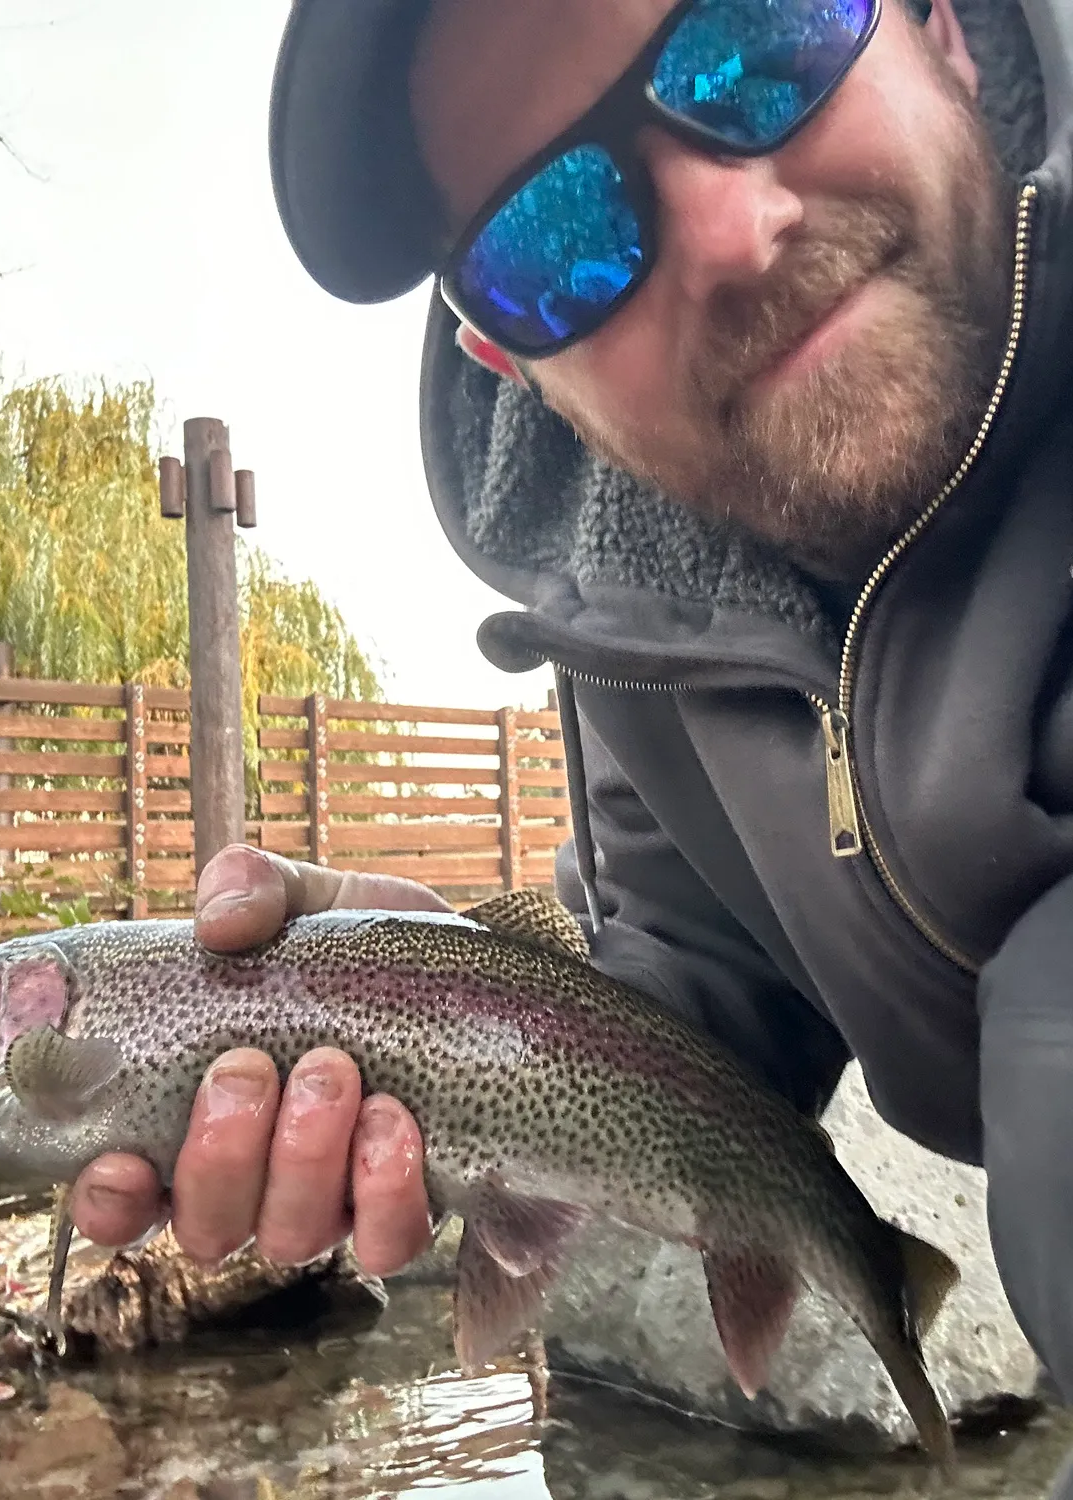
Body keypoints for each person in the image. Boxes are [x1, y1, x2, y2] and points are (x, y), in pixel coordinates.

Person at [70, 0, 1073, 1476]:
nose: (735, 232)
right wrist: (448, 1016)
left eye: (758, 46)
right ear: (505, 356)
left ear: (937, 17)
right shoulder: (632, 609)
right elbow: (718, 978)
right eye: (556, 238)